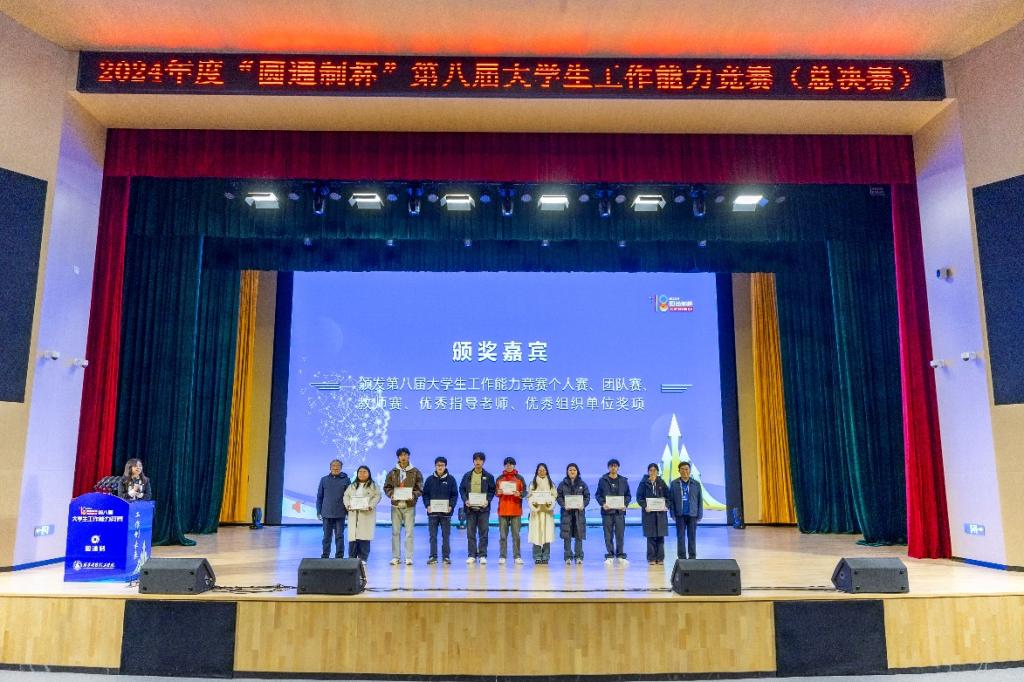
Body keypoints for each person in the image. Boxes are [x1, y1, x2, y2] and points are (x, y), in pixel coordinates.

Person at [383, 447, 424, 566]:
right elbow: (387, 487)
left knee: (409, 532)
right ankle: (395, 557)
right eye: (401, 455)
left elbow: (420, 488)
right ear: (398, 457)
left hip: (409, 505)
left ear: (409, 456)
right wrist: (391, 494)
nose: (403, 457)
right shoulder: (392, 472)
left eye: (405, 455)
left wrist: (413, 495)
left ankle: (408, 557)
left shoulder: (415, 472)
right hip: (395, 505)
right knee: (395, 532)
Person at [459, 452, 496, 564]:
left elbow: (492, 490)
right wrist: (465, 500)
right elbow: (461, 489)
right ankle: (472, 555)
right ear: (473, 461)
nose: (478, 462)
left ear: (483, 462)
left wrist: (488, 500)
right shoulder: (467, 475)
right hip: (470, 509)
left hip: (483, 509)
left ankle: (482, 555)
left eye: (480, 460)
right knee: (470, 533)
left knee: (483, 533)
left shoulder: (489, 476)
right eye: (476, 459)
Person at [422, 456, 459, 565]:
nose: (440, 467)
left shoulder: (451, 479)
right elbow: (425, 495)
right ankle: (433, 557)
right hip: (432, 514)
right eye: (438, 465)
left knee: (446, 536)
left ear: (445, 466)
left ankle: (446, 557)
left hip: (446, 514)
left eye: (442, 465)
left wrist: (451, 506)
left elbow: (454, 495)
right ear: (435, 466)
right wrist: (427, 505)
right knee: (433, 536)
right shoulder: (429, 480)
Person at [596, 458, 631, 564]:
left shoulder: (623, 480)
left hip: (619, 512)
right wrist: (603, 504)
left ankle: (620, 555)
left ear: (618, 467)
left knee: (620, 535)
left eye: (615, 466)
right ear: (608, 467)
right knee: (608, 535)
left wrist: (625, 504)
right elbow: (598, 495)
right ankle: (610, 555)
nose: (613, 467)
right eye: (611, 466)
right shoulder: (602, 480)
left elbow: (628, 495)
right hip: (607, 512)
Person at [343, 465, 381, 562]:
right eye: (360, 472)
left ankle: (363, 560)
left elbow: (377, 496)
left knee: (364, 538)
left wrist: (371, 505)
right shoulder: (352, 485)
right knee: (353, 539)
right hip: (353, 514)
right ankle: (352, 560)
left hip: (366, 514)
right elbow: (346, 496)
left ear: (368, 474)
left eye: (364, 472)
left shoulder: (373, 485)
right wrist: (348, 505)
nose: (362, 474)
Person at [316, 458, 351, 559]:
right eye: (333, 466)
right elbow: (320, 497)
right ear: (330, 468)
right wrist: (318, 511)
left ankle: (339, 557)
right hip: (326, 513)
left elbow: (349, 497)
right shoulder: (324, 480)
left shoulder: (346, 480)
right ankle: (325, 556)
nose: (335, 468)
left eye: (338, 466)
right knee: (326, 536)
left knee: (339, 536)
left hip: (340, 513)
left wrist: (348, 512)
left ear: (341, 468)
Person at [556, 462, 590, 565]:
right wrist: (563, 505)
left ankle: (579, 557)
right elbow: (558, 497)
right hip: (566, 513)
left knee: (579, 536)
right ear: (567, 472)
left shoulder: (582, 484)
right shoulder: (562, 484)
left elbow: (587, 496)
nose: (572, 471)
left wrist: (583, 505)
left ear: (577, 471)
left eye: (574, 470)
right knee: (567, 536)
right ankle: (568, 557)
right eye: (570, 470)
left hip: (579, 514)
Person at [669, 461, 704, 559]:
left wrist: (700, 514)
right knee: (680, 536)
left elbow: (700, 500)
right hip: (679, 514)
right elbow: (671, 500)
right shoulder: (674, 484)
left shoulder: (696, 484)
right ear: (679, 471)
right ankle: (682, 557)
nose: (685, 471)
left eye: (686, 469)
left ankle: (692, 556)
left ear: (690, 470)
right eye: (682, 469)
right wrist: (672, 514)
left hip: (692, 514)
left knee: (692, 536)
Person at [636, 463, 670, 565]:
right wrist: (644, 506)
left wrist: (666, 506)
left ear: (658, 472)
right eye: (651, 470)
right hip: (648, 513)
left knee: (660, 536)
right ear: (648, 472)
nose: (653, 472)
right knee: (650, 536)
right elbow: (639, 498)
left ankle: (660, 558)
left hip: (660, 514)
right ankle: (651, 558)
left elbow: (669, 497)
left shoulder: (662, 483)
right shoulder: (643, 483)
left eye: (655, 470)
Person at [495, 456, 526, 565]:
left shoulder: (520, 478)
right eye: (507, 464)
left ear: (514, 465)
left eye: (511, 464)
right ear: (504, 466)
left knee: (516, 535)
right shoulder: (499, 478)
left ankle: (517, 556)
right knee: (503, 536)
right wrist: (498, 492)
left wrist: (520, 494)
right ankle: (502, 556)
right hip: (503, 511)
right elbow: (496, 492)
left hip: (516, 511)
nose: (509, 466)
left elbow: (525, 492)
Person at [527, 463, 557, 564]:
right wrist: (534, 504)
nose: (542, 472)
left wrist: (550, 503)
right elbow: (529, 497)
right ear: (537, 472)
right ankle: (537, 556)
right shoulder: (532, 484)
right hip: (536, 513)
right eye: (540, 470)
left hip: (547, 513)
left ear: (546, 471)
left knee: (547, 534)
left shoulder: (551, 484)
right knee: (536, 534)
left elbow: (554, 496)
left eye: (544, 470)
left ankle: (546, 556)